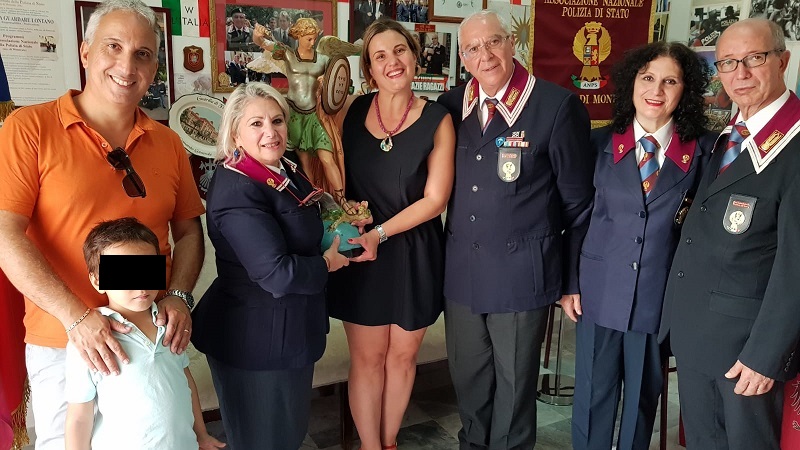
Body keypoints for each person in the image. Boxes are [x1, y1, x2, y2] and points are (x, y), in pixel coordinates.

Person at [0, 1, 206, 448]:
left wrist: (179, 295)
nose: (126, 66)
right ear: (85, 52)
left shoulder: (169, 142)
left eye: (142, 54)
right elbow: (4, 234)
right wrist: (76, 317)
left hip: (149, 338)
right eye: (113, 46)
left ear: (154, 68)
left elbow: (190, 232)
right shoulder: (28, 128)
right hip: (65, 340)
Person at [436, 10, 594, 449]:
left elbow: (578, 205)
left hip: (522, 274)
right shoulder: (450, 106)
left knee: (514, 388)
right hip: (463, 273)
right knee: (468, 382)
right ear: (462, 57)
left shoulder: (556, 107)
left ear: (512, 43)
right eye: (473, 48)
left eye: (494, 42)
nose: (485, 55)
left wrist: (571, 280)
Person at [563, 41, 714, 450]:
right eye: (648, 78)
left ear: (685, 90)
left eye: (670, 81)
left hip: (658, 298)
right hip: (598, 291)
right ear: (631, 82)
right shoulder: (595, 144)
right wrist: (569, 282)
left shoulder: (704, 151)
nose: (656, 91)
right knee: (592, 398)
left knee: (641, 404)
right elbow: (576, 219)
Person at [659, 18, 800, 449]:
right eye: (727, 63)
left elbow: (796, 268)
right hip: (698, 336)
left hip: (746, 353)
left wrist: (766, 355)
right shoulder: (729, 135)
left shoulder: (794, 146)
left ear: (782, 61)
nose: (740, 74)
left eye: (754, 59)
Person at [191, 82, 349, 450]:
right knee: (262, 440)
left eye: (277, 121)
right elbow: (276, 273)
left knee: (286, 437)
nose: (270, 132)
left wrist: (341, 226)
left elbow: (304, 220)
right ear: (235, 133)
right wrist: (327, 263)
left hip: (290, 331)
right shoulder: (237, 186)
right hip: (256, 340)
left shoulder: (281, 169)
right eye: (256, 123)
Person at [326, 18, 455, 450]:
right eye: (379, 56)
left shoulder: (438, 119)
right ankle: (369, 446)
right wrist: (344, 214)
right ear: (368, 69)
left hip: (414, 250)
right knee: (367, 359)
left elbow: (435, 199)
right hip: (360, 253)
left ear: (415, 57)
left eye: (399, 50)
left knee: (401, 357)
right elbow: (326, 167)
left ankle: (389, 442)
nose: (392, 62)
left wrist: (380, 233)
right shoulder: (351, 110)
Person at [64, 218, 224, 450]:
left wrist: (201, 435)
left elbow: (185, 383)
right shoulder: (91, 341)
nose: (141, 286)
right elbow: (79, 417)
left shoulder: (170, 323)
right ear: (98, 280)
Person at [251, 18, 356, 209]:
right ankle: (314, 200)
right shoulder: (287, 54)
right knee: (304, 161)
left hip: (314, 116)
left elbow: (339, 80)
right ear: (298, 36)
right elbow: (263, 43)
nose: (313, 42)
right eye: (309, 38)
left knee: (327, 157)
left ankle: (341, 199)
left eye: (315, 38)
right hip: (294, 114)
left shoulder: (323, 59)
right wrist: (257, 36)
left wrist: (327, 82)